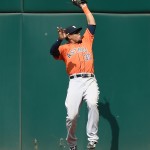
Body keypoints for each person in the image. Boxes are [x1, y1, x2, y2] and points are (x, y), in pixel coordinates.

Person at [50, 1, 100, 150]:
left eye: (79, 32)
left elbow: (92, 23)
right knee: (71, 116)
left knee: (92, 104)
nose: (79, 34)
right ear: (70, 37)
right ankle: (72, 144)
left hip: (90, 80)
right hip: (75, 82)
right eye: (76, 33)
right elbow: (52, 52)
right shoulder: (65, 47)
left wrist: (84, 6)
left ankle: (92, 140)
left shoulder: (86, 41)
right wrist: (59, 39)